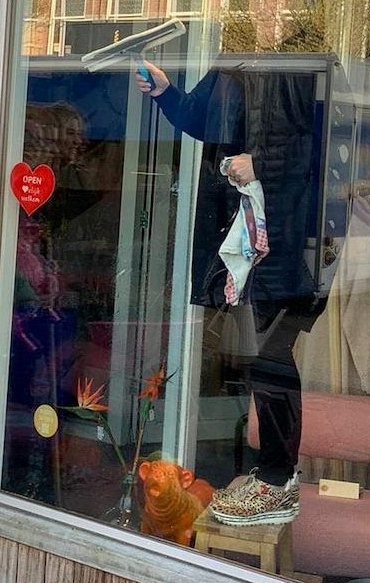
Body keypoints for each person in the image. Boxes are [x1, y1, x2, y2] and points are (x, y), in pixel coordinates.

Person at [137, 59, 323, 525]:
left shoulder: (300, 64)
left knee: (271, 361)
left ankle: (277, 479)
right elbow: (202, 120)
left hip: (288, 239)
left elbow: (324, 144)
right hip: (240, 235)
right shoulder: (232, 65)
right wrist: (166, 94)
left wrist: (260, 162)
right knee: (263, 361)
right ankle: (276, 478)